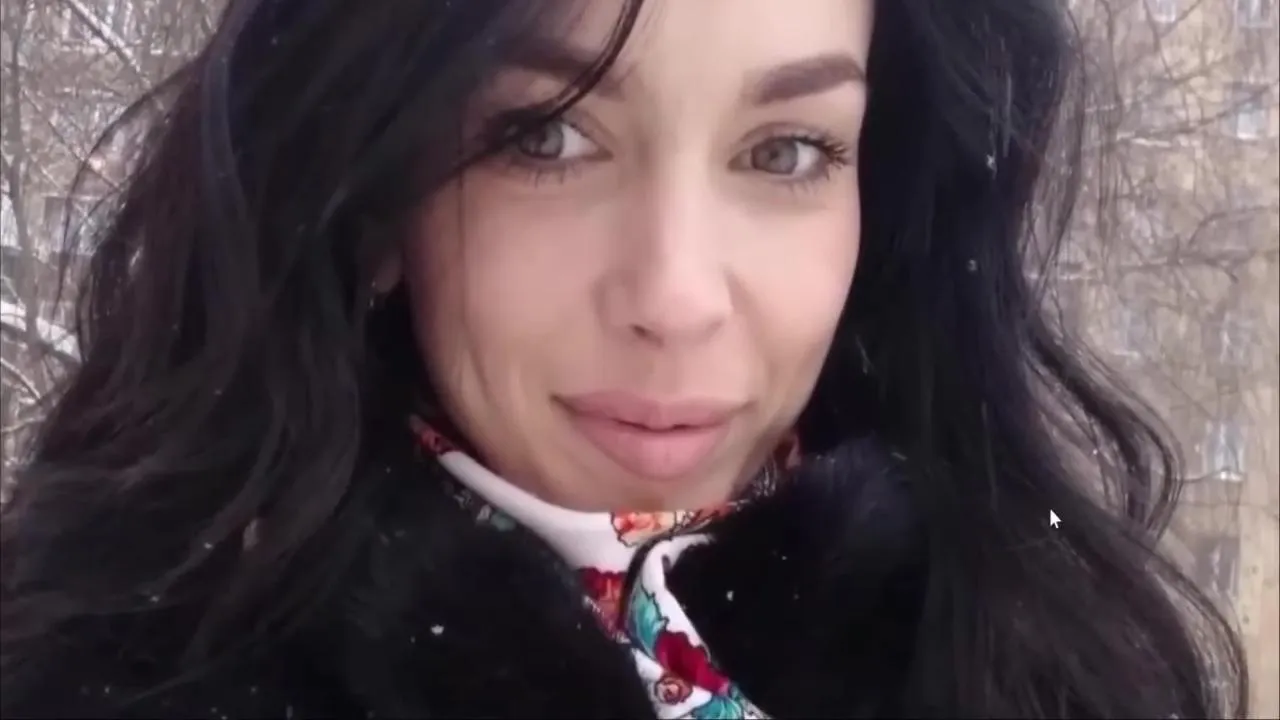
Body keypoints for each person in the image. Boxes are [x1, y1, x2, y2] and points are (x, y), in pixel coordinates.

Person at [0, 0, 1249, 717]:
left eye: (785, 152)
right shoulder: (114, 675)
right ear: (373, 194)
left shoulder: (1041, 666)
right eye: (544, 138)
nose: (674, 297)